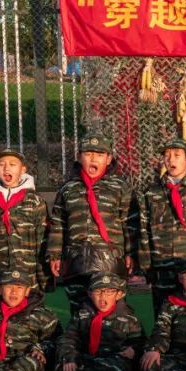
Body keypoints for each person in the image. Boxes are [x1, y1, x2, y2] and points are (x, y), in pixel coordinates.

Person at [47, 133, 137, 315]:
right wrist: (55, 254)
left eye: (100, 154)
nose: (93, 159)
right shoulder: (68, 188)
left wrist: (131, 253)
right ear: (79, 157)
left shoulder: (120, 187)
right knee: (79, 311)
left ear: (109, 159)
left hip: (110, 260)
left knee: (112, 312)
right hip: (77, 260)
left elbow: (129, 222)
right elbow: (58, 223)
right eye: (88, 154)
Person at [137, 137, 186, 313]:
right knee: (163, 312)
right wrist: (146, 264)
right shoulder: (152, 192)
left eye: (177, 155)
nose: (171, 160)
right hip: (161, 264)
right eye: (167, 156)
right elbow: (144, 229)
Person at [44, 272, 144, 371]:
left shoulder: (129, 318)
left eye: (109, 292)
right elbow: (68, 337)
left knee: (118, 366)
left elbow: (140, 342)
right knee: (61, 366)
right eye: (98, 292)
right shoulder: (82, 314)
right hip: (88, 359)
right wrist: (69, 357)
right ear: (90, 294)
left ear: (119, 294)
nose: (103, 297)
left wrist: (133, 350)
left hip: (112, 360)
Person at [0, 148, 49, 292]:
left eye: (12, 164)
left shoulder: (34, 199)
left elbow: (42, 237)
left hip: (28, 271)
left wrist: (43, 275)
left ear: (23, 170)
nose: (6, 168)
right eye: (1, 164)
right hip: (1, 271)